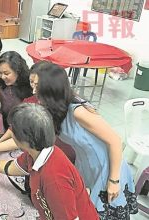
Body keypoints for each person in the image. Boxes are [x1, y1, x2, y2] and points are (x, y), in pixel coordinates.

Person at [32, 61, 137, 219]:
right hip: (86, 165)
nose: (33, 90)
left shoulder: (78, 111)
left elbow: (115, 140)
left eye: (37, 85)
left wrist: (114, 180)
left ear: (51, 87)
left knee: (103, 211)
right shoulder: (54, 108)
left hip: (107, 166)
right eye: (31, 84)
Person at [0, 103, 98, 220]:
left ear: (24, 139)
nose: (11, 133)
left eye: (13, 130)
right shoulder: (36, 152)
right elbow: (12, 167)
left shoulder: (54, 179)